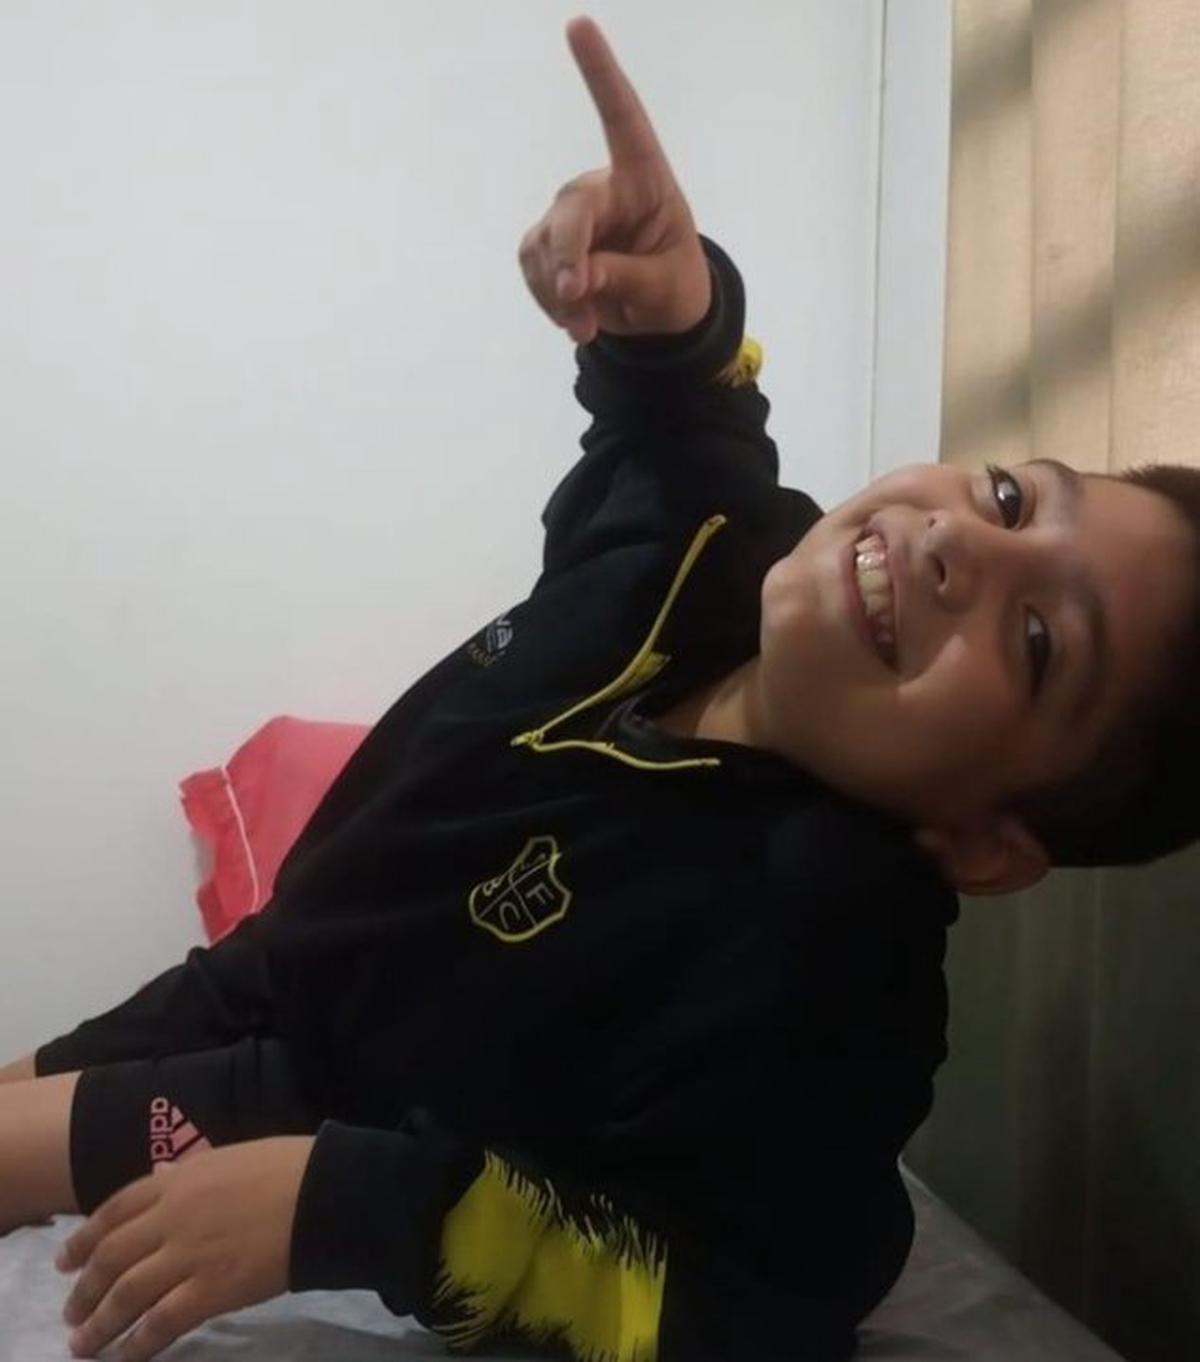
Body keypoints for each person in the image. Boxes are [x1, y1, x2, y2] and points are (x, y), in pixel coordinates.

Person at [2, 14, 1198, 1362]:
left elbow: (753, 1301)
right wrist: (668, 300)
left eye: (1037, 640)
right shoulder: (719, 550)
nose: (957, 544)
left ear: (986, 842)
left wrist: (354, 1207)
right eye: (1010, 497)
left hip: (333, 1098)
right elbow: (682, 419)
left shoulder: (832, 948)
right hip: (279, 959)